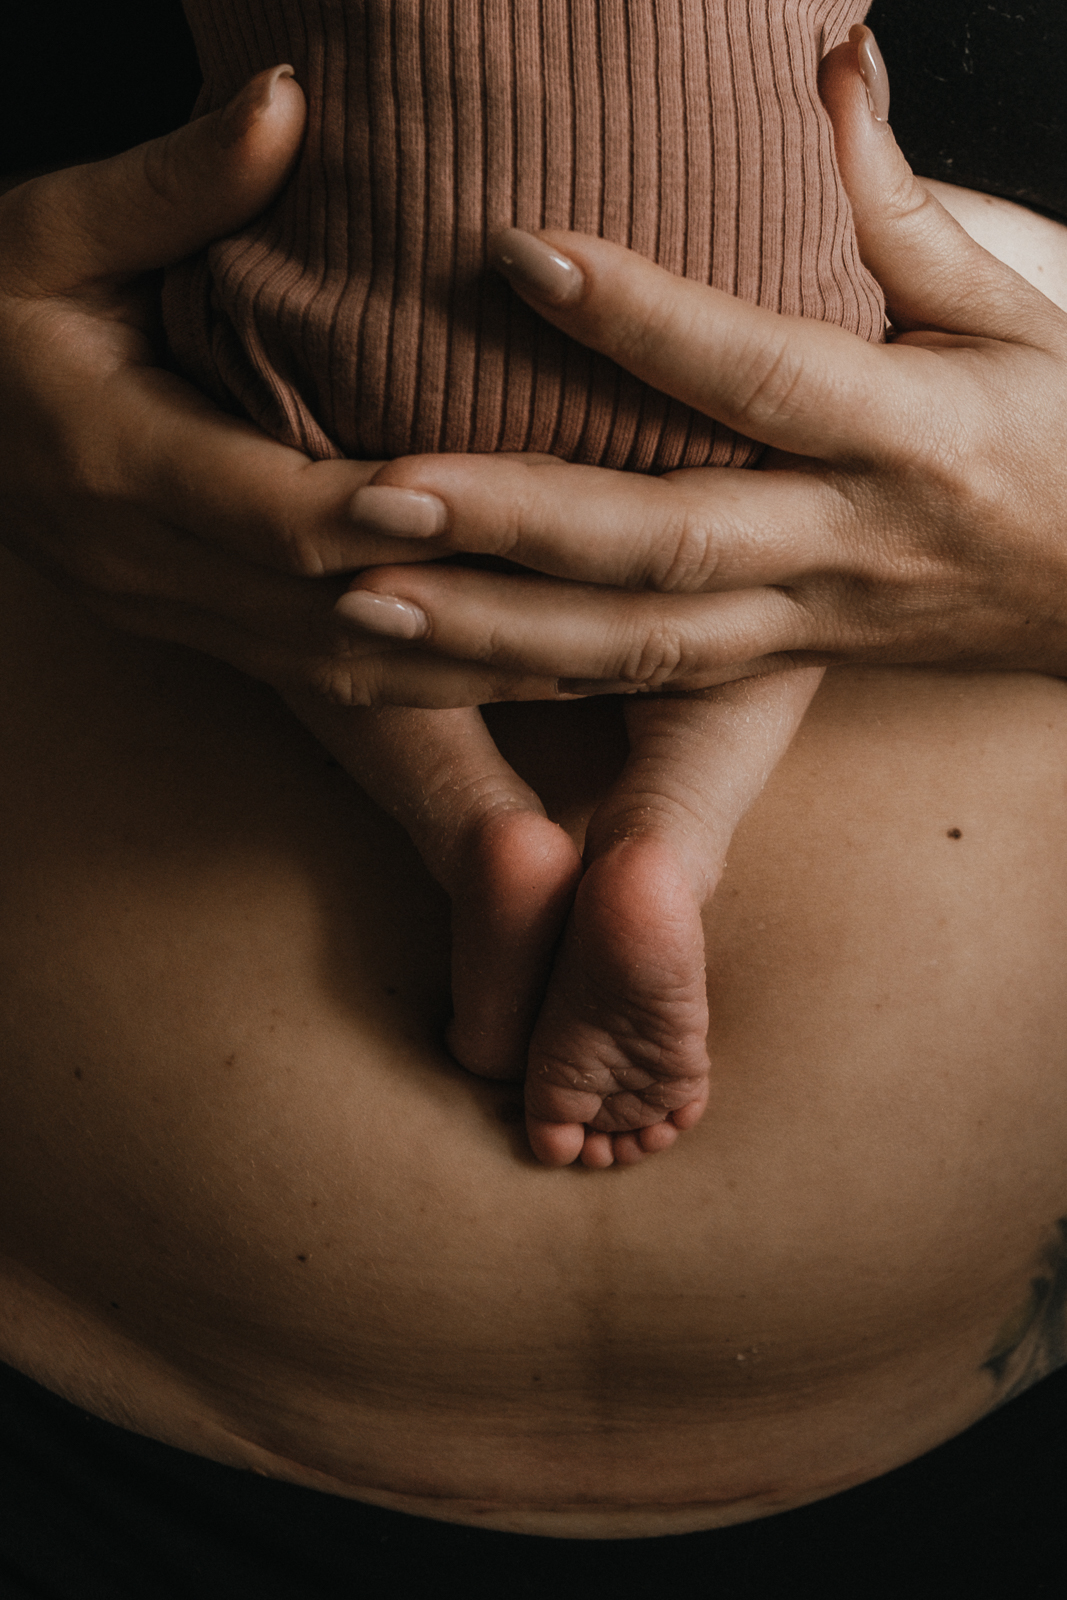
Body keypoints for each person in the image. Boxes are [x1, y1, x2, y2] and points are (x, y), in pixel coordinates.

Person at [2, 11, 1067, 1596]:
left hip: (995, 1474)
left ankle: (491, 819)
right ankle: (651, 833)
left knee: (368, 508)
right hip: (94, 1437)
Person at [161, 0, 884, 1168]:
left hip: (369, 348)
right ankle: (672, 832)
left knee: (309, 528)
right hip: (755, 343)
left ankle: (475, 824)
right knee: (797, 546)